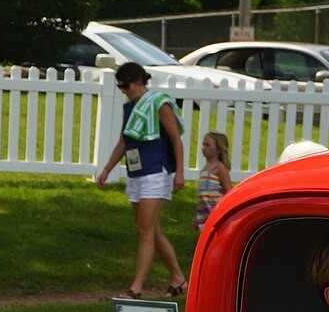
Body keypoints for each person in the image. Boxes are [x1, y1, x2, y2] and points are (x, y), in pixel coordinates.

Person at [94, 63, 187, 299]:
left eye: (125, 85)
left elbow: (176, 139)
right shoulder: (130, 107)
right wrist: (107, 169)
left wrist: (180, 172)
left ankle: (136, 288)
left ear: (138, 81)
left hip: (156, 172)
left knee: (144, 231)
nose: (123, 90)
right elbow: (123, 142)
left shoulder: (158, 103)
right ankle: (178, 278)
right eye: (119, 86)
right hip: (136, 173)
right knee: (151, 231)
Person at [196, 131, 232, 232]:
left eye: (208, 145)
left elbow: (228, 190)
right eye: (203, 144)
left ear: (219, 150)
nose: (204, 147)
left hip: (214, 210)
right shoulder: (205, 168)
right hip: (205, 210)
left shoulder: (219, 168)